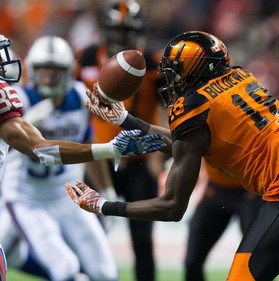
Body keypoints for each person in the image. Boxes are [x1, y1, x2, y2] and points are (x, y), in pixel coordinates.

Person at [0, 19, 166, 281]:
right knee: (62, 270)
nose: (0, 61)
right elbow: (41, 151)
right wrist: (109, 148)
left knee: (99, 272)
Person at [65, 30, 279, 280]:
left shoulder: (195, 109)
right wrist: (127, 120)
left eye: (176, 71)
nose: (173, 80)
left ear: (197, 71)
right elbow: (190, 143)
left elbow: (172, 207)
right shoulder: (241, 77)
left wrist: (103, 205)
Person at [0, 35, 118, 281]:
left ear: (69, 72)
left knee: (105, 272)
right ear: (32, 72)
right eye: (43, 71)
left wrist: (106, 190)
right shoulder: (18, 100)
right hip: (26, 198)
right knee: (65, 268)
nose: (49, 78)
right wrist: (22, 126)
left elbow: (88, 148)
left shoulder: (79, 96)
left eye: (56, 71)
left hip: (67, 195)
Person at [74, 1, 167, 280]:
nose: (124, 36)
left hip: (139, 161)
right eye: (119, 30)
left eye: (129, 30)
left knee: (142, 240)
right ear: (106, 30)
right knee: (88, 236)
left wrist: (160, 156)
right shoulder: (87, 58)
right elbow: (73, 108)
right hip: (99, 159)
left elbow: (170, 111)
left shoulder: (153, 64)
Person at [185, 163, 261, 281]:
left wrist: (262, 184)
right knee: (192, 261)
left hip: (250, 190)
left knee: (256, 259)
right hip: (215, 189)